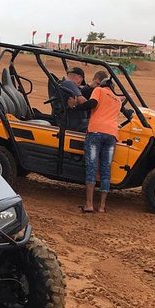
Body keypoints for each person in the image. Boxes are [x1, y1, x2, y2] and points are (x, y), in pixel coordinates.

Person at [69, 71, 121, 213]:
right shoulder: (118, 100)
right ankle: (102, 207)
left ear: (101, 84)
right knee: (105, 170)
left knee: (92, 167)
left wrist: (75, 106)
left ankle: (89, 204)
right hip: (111, 135)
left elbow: (91, 104)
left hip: (96, 132)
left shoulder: (98, 91)